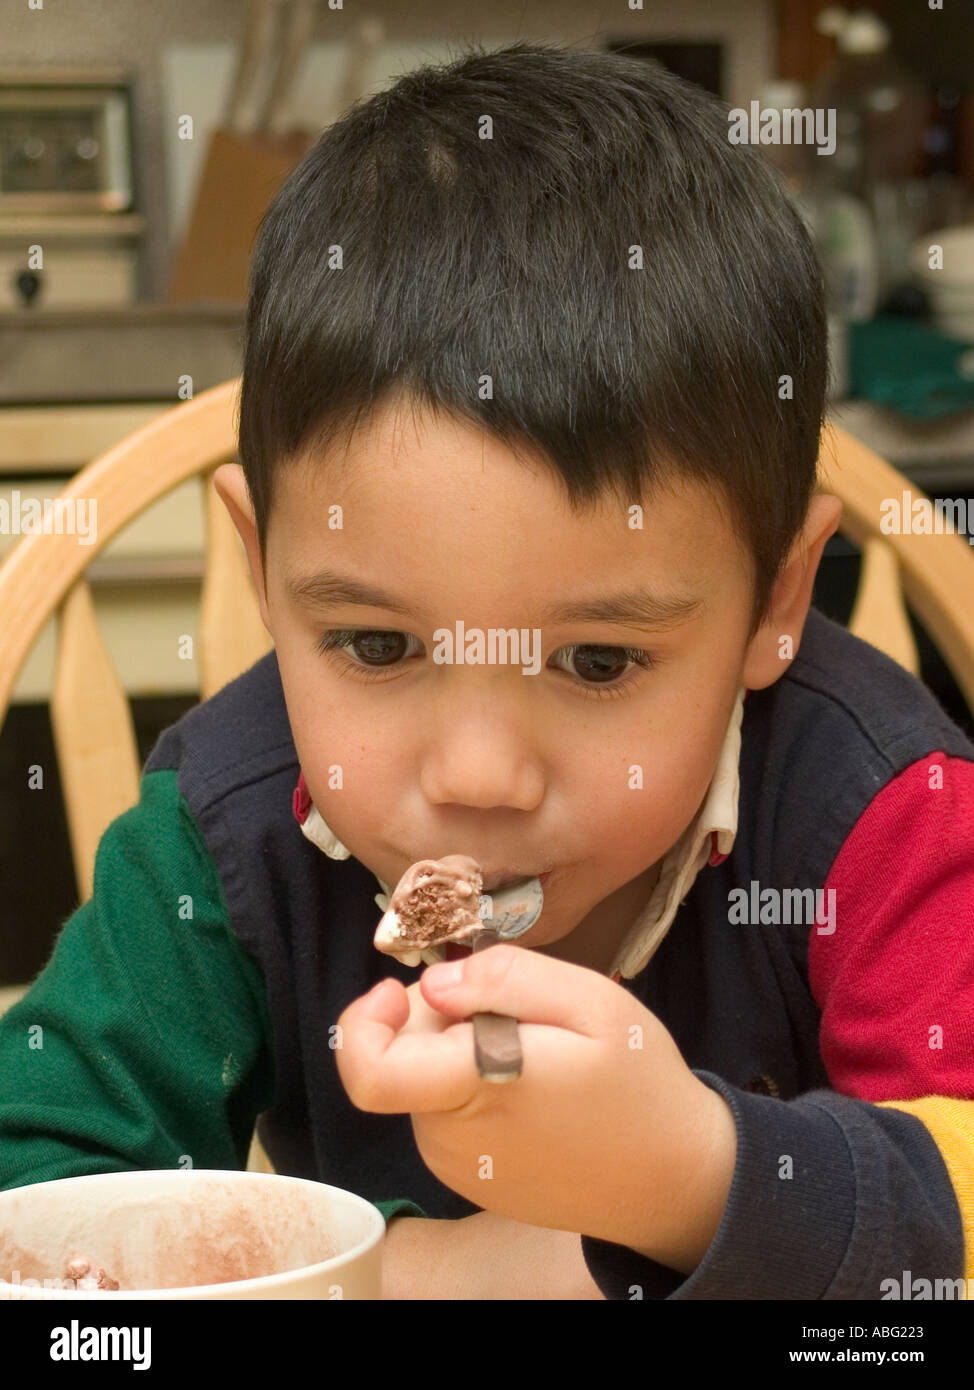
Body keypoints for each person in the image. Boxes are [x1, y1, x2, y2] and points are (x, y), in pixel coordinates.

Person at [1, 42, 972, 1301]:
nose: (474, 778)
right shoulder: (223, 839)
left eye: (596, 659)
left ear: (772, 604)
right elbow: (39, 1180)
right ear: (259, 570)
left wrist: (693, 1179)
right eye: (378, 646)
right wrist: (398, 1269)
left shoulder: (887, 815)